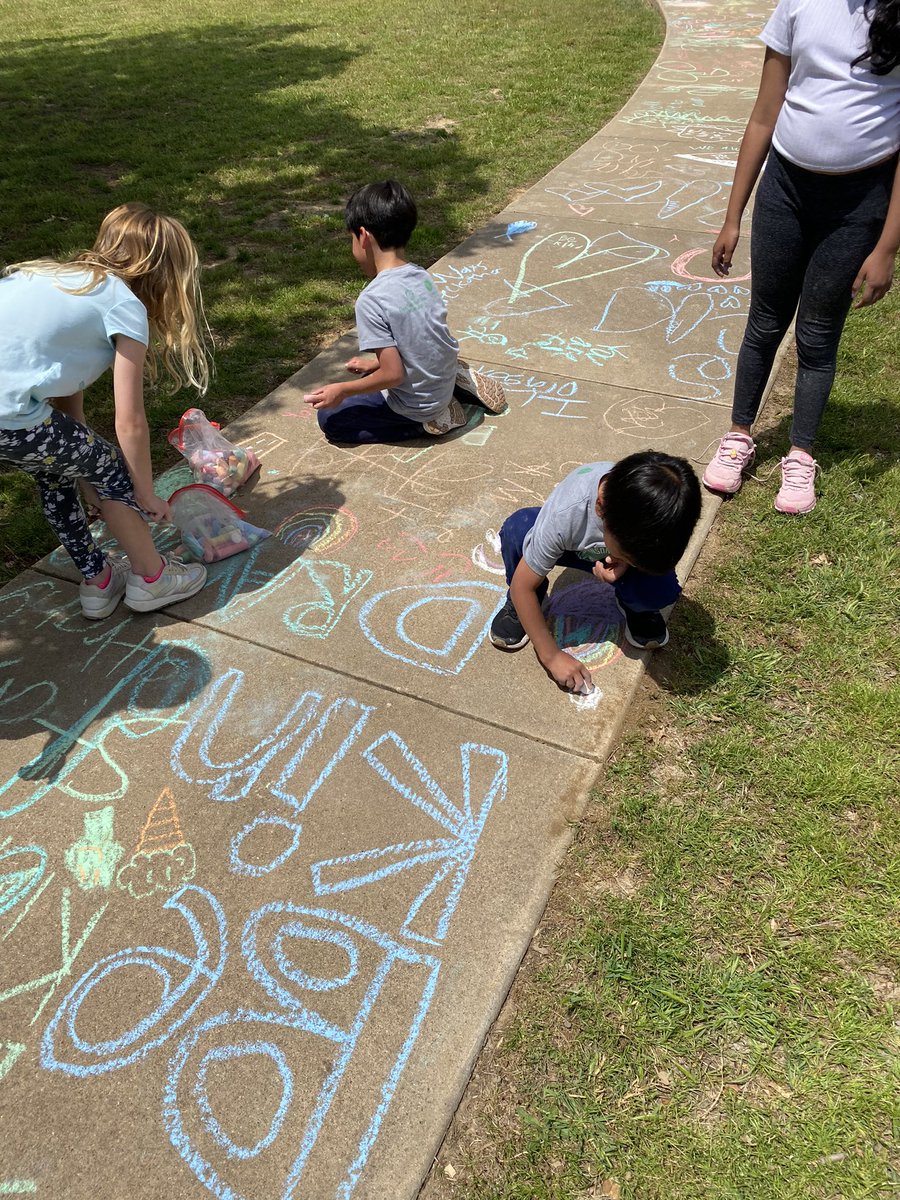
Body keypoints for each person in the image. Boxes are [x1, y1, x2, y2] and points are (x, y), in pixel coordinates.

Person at [703, 0, 900, 514]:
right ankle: (739, 434)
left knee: (817, 331)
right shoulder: (801, 3)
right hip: (785, 190)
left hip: (858, 203)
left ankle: (799, 452)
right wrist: (732, 216)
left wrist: (886, 248)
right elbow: (764, 114)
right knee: (764, 321)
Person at [0, 202, 210, 619]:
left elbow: (63, 390)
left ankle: (98, 581)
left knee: (54, 473)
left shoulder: (51, 278)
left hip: (13, 416)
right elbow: (130, 420)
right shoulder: (123, 305)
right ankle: (152, 578)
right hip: (13, 419)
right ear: (162, 274)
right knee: (115, 468)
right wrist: (145, 491)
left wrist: (82, 469)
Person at [305, 180, 506, 441]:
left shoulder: (372, 299)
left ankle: (435, 420)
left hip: (418, 405)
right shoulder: (420, 276)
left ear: (363, 236)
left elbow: (393, 374)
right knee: (372, 375)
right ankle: (455, 380)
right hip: (439, 373)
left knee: (332, 420)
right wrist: (374, 363)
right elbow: (419, 337)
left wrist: (342, 390)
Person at [489, 452, 701, 693]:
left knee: (659, 588)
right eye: (632, 558)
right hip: (571, 544)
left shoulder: (652, 517)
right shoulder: (566, 515)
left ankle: (636, 608)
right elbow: (521, 586)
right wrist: (551, 655)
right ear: (600, 509)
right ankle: (526, 605)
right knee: (518, 529)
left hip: (612, 545)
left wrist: (626, 563)